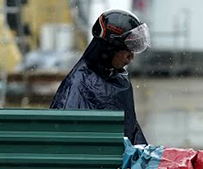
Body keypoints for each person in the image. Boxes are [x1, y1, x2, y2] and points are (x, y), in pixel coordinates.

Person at [49, 8, 149, 144]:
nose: (131, 57)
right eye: (127, 49)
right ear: (110, 48)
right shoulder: (78, 84)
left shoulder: (118, 80)